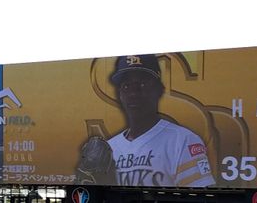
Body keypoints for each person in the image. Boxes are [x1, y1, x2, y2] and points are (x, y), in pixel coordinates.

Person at [80, 54, 214, 187]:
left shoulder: (183, 140)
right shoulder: (110, 148)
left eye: (142, 84)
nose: (133, 93)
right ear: (120, 94)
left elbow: (199, 197)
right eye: (126, 86)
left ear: (159, 90)